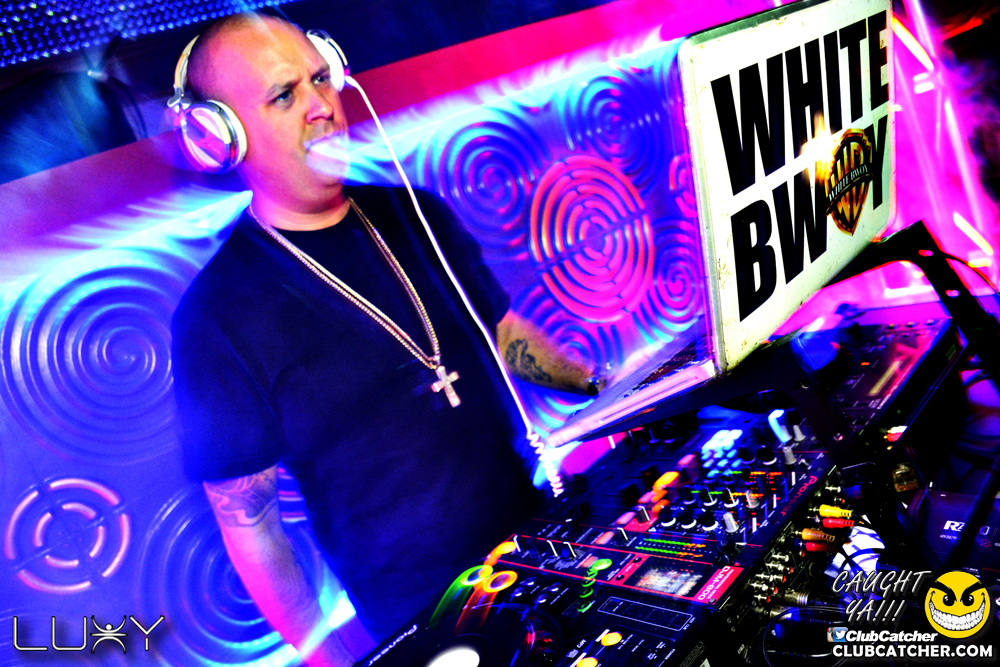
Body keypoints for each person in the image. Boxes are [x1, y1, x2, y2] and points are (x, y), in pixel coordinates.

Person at [169, 13, 599, 667]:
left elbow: (502, 332)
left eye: (322, 78)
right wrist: (329, 658)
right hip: (423, 620)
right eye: (284, 95)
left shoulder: (414, 212)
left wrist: (609, 388)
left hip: (542, 545)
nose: (321, 105)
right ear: (221, 139)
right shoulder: (216, 315)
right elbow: (251, 527)